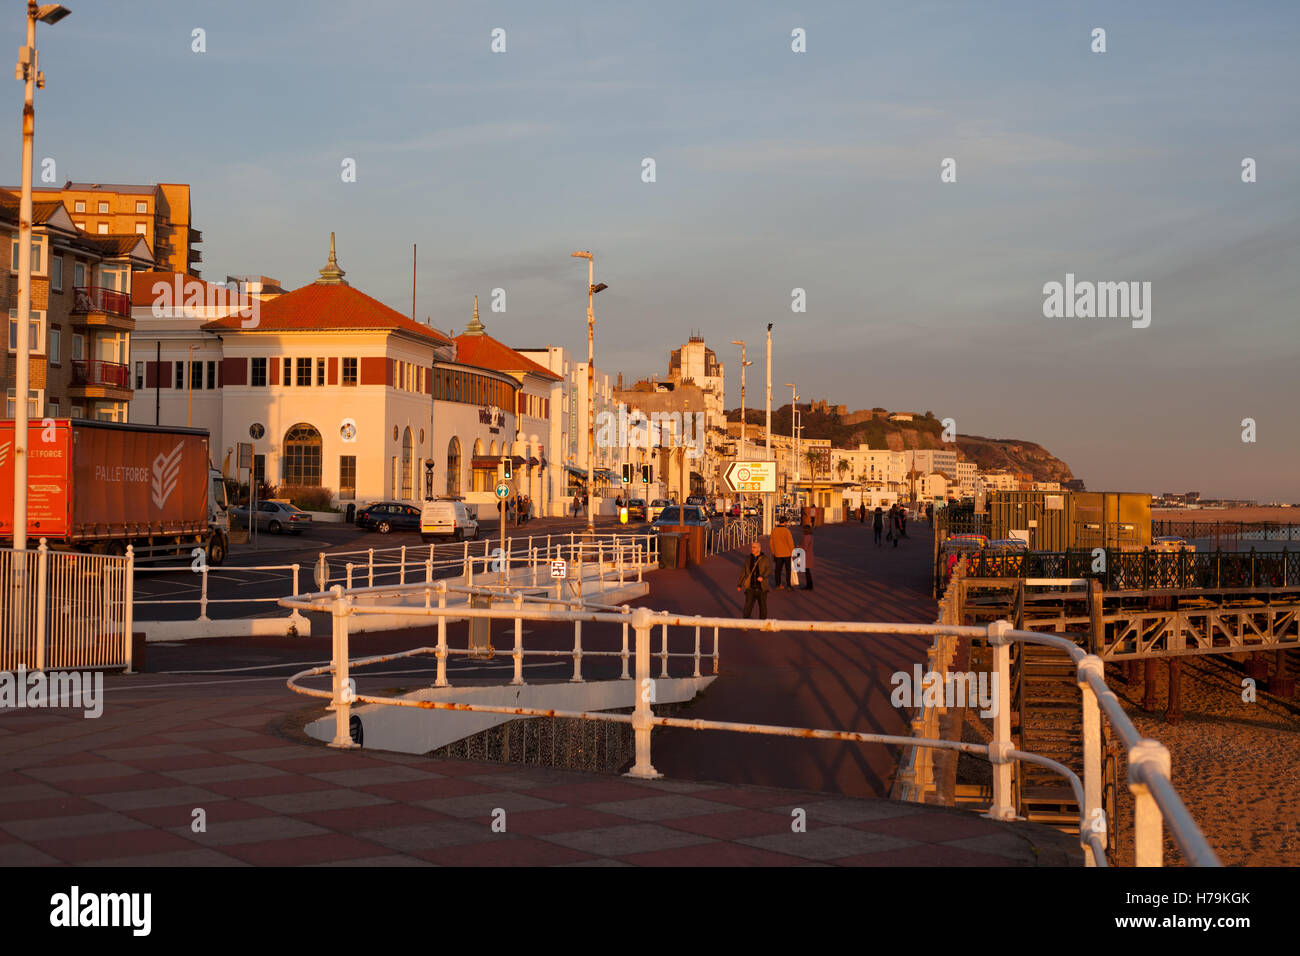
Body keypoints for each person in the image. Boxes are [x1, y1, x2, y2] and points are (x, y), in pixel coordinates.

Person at [736, 540, 770, 619]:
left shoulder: (765, 559)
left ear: (759, 548)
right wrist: (739, 584)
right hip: (750, 587)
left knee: (763, 607)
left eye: (754, 547)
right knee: (747, 607)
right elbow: (744, 571)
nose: (752, 549)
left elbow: (768, 570)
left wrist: (763, 577)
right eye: (752, 547)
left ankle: (762, 624)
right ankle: (745, 623)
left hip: (761, 588)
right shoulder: (748, 559)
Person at [770, 517, 795, 589]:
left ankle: (778, 584)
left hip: (778, 553)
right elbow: (790, 543)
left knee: (778, 570)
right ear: (785, 522)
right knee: (788, 570)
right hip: (787, 553)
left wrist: (773, 552)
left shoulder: (774, 531)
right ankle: (788, 585)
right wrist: (792, 552)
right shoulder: (787, 531)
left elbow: (771, 543)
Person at [799, 523, 815, 590]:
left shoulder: (806, 537)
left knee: (807, 571)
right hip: (809, 555)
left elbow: (804, 547)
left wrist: (798, 547)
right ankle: (810, 585)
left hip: (806, 556)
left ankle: (809, 585)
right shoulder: (810, 536)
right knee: (807, 571)